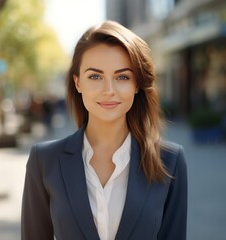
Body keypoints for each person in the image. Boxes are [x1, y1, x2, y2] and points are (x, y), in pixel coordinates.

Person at [21, 20, 187, 240]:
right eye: (95, 76)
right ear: (78, 82)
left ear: (136, 84)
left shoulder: (170, 161)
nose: (109, 90)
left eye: (122, 77)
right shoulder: (44, 160)